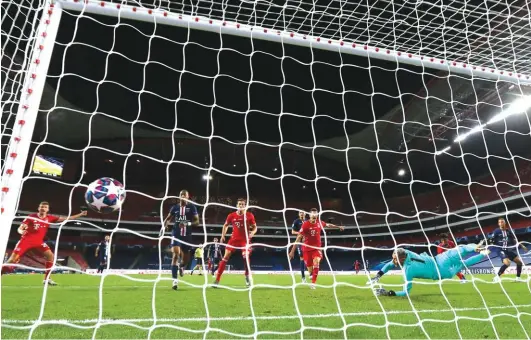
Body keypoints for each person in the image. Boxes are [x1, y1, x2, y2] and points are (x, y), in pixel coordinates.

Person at [1, 201, 87, 285]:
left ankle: (47, 279)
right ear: (38, 208)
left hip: (39, 242)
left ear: (48, 209)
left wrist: (80, 214)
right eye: (42, 207)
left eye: (45, 207)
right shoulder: (31, 216)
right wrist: (20, 231)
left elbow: (66, 218)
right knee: (11, 260)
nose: (43, 208)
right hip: (26, 241)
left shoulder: (50, 218)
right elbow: (20, 228)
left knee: (50, 256)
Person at [369, 242, 489, 296]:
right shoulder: (406, 262)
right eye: (393, 258)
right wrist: (389, 292)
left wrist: (379, 276)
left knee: (459, 249)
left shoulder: (406, 262)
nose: (393, 261)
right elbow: (405, 292)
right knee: (463, 264)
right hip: (441, 272)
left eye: (395, 259)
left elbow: (391, 264)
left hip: (438, 259)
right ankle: (483, 254)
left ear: (402, 258)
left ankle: (476, 247)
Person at [289, 208, 344, 289]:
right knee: (310, 269)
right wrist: (292, 251)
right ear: (310, 215)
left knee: (316, 262)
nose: (314, 215)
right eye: (313, 214)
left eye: (316, 214)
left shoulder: (319, 222)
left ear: (317, 215)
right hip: (306, 249)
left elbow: (328, 225)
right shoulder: (305, 225)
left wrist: (338, 226)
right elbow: (298, 238)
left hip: (317, 248)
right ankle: (309, 275)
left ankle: (313, 284)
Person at [213, 198, 257, 288]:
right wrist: (222, 236)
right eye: (239, 204)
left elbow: (255, 227)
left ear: (245, 206)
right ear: (236, 206)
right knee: (225, 257)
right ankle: (217, 280)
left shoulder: (249, 215)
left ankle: (247, 277)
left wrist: (252, 232)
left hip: (245, 240)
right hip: (233, 240)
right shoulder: (231, 215)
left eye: (242, 204)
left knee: (246, 258)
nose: (241, 206)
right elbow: (225, 225)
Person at [163, 190, 200, 290]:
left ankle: (181, 266)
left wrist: (187, 224)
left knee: (186, 259)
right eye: (181, 195)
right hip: (176, 234)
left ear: (188, 197)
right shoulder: (175, 207)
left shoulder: (192, 207)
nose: (183, 197)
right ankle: (175, 281)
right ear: (179, 197)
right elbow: (168, 218)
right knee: (175, 255)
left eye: (185, 196)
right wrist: (165, 225)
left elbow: (197, 222)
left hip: (187, 236)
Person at [491, 217, 528, 282]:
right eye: (499, 222)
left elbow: (514, 240)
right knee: (507, 263)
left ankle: (518, 278)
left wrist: (522, 246)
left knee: (519, 262)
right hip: (500, 250)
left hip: (507, 250)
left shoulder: (508, 231)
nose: (500, 223)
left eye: (502, 222)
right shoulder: (496, 231)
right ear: (498, 224)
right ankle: (496, 277)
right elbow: (491, 240)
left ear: (505, 223)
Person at [291, 210, 309, 282]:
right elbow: (292, 232)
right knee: (302, 257)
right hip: (300, 241)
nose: (302, 215)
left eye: (303, 214)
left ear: (305, 214)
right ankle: (303, 277)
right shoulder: (296, 221)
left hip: (308, 241)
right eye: (300, 214)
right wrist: (300, 233)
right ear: (299, 215)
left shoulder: (308, 221)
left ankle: (311, 273)